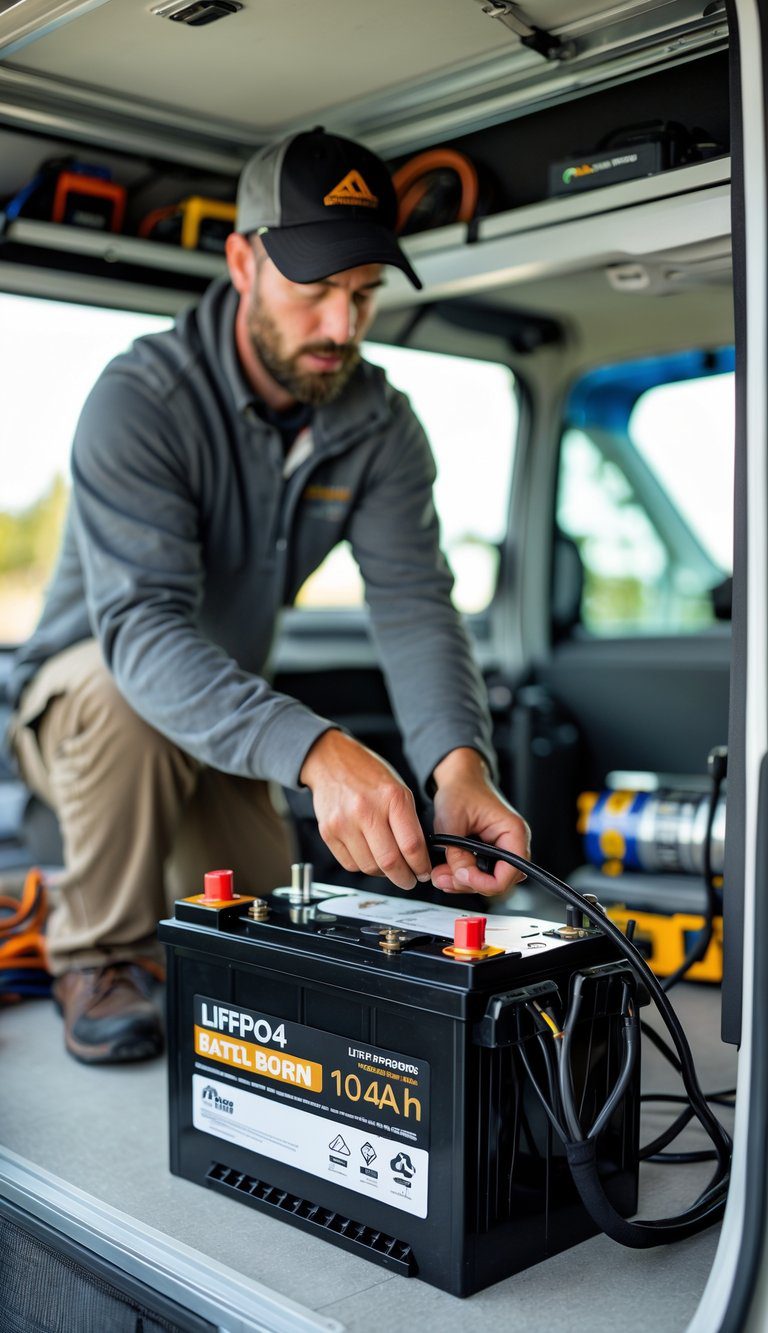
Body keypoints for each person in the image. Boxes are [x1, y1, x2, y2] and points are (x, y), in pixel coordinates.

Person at [7, 127, 530, 1065]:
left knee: (266, 948)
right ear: (243, 262)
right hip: (88, 709)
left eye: (363, 295)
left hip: (221, 718)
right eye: (316, 291)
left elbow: (414, 601)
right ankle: (96, 954)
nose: (341, 326)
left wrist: (459, 765)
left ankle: (201, 957)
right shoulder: (141, 399)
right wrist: (322, 752)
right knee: (124, 687)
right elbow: (142, 631)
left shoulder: (380, 426)